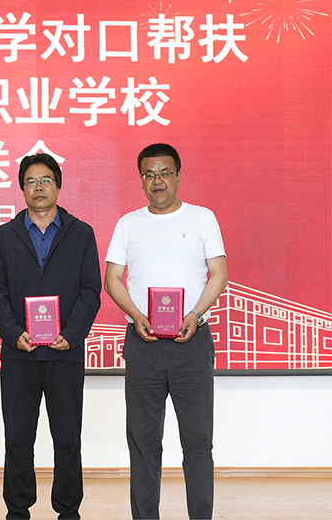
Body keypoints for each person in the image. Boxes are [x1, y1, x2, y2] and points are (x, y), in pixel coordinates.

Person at [104, 143, 228, 520]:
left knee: (198, 443)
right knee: (143, 444)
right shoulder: (128, 224)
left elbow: (218, 273)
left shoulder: (202, 218)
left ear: (178, 176)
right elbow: (112, 279)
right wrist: (135, 314)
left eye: (165, 173)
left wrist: (196, 313)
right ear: (141, 180)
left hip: (192, 343)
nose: (157, 181)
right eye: (149, 175)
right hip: (143, 344)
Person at [0, 153, 102, 520]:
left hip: (65, 352)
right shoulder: (4, 236)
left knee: (67, 438)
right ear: (22, 189)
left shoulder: (81, 233)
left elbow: (90, 290)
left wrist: (72, 334)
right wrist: (13, 333)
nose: (39, 187)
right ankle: (18, 509)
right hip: (19, 353)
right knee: (18, 438)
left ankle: (68, 510)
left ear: (58, 185)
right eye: (31, 181)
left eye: (46, 180)